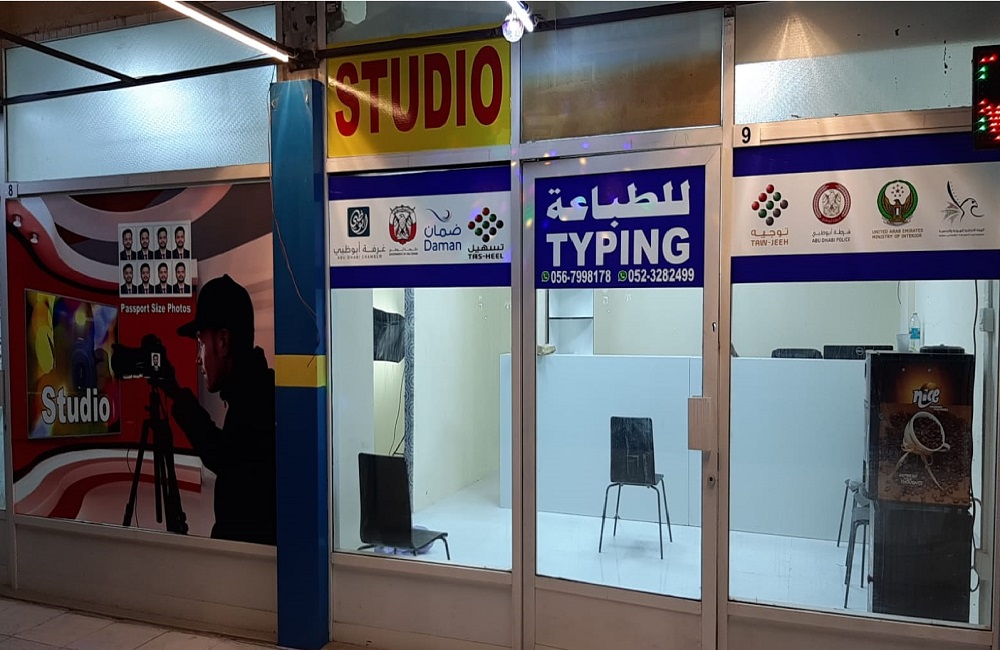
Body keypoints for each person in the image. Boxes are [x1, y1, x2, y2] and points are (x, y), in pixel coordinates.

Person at [157, 274, 276, 545]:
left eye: (200, 344)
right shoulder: (257, 391)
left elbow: (225, 456)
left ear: (222, 342)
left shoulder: (257, 401)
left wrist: (176, 394)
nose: (198, 359)